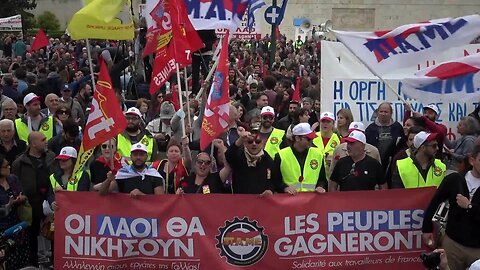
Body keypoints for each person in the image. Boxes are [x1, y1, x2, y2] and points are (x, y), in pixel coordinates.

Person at [422, 145, 480, 270]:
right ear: (472, 160)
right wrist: (426, 229)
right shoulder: (455, 179)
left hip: (477, 249)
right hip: (453, 244)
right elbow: (435, 201)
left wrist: (469, 206)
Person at [12, 131, 55, 267]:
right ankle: (33, 264)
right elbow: (14, 182)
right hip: (31, 204)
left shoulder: (51, 157)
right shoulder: (19, 162)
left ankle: (55, 261)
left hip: (49, 201)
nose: (46, 141)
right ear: (34, 144)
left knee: (53, 233)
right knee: (31, 236)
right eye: (43, 139)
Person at [272, 123, 327, 194]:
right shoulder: (280, 155)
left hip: (311, 199)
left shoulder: (318, 154)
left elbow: (322, 178)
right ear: (297, 138)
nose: (311, 141)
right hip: (290, 199)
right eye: (308, 139)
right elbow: (275, 180)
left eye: (312, 138)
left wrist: (320, 186)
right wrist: (285, 188)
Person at [99, 143, 164, 196]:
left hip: (148, 211)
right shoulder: (123, 173)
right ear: (131, 156)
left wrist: (142, 195)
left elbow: (159, 201)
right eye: (135, 155)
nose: (138, 157)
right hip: (126, 211)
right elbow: (102, 193)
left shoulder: (154, 175)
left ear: (146, 157)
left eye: (141, 155)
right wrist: (108, 180)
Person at [0, 154, 30, 270]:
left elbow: (22, 194)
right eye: (6, 166)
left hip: (18, 227)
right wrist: (8, 205)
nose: (9, 168)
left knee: (21, 262)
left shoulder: (13, 179)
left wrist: (21, 199)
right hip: (3, 231)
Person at [225, 127, 275, 195]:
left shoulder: (267, 159)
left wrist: (270, 190)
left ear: (262, 144)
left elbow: (273, 179)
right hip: (241, 200)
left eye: (257, 142)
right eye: (250, 142)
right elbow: (228, 155)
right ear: (245, 144)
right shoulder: (238, 155)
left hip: (261, 200)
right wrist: (240, 139)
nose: (254, 144)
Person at [365, 102, 404, 176]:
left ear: (391, 113)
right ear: (377, 113)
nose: (383, 114)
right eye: (381, 111)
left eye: (386, 112)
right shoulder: (370, 129)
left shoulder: (397, 127)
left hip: (393, 164)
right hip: (375, 163)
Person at [313, 112, 340, 176]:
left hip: (331, 177)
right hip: (315, 176)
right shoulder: (312, 138)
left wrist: (334, 162)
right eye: (323, 121)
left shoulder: (339, 139)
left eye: (328, 122)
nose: (325, 124)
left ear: (333, 123)